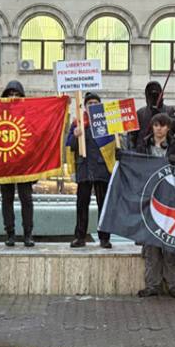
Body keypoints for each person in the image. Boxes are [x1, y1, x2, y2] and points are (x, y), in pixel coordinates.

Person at [135, 113, 175, 298]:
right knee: (151, 246)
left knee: (171, 244)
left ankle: (174, 285)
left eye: (163, 125)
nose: (159, 128)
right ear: (152, 126)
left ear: (168, 128)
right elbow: (136, 167)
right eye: (156, 125)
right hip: (150, 200)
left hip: (170, 200)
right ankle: (152, 284)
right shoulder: (143, 145)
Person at [69, 92, 113, 249]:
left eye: (96, 103)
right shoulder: (78, 123)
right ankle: (80, 237)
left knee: (103, 204)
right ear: (85, 106)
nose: (93, 105)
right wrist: (75, 136)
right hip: (84, 168)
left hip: (102, 168)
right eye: (90, 103)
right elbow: (70, 146)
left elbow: (116, 143)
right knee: (82, 204)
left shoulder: (107, 122)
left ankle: (104, 238)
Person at [0, 80, 36, 247]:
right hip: (4, 163)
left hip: (24, 164)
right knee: (6, 199)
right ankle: (10, 234)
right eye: (10, 94)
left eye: (16, 94)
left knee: (26, 199)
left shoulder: (29, 113)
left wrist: (62, 104)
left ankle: (28, 234)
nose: (13, 97)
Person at [129, 81, 175, 149]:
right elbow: (132, 135)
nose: (154, 97)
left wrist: (163, 116)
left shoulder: (169, 110)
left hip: (165, 149)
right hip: (144, 151)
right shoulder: (140, 113)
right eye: (151, 95)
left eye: (156, 94)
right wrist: (131, 150)